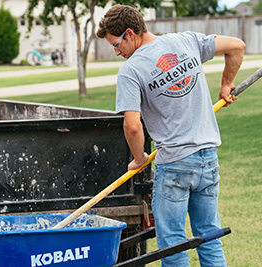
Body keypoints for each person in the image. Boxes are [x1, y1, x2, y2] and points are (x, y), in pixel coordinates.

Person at [96, 5, 245, 267]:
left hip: (174, 164)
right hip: (208, 158)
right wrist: (226, 83)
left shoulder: (131, 70)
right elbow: (237, 46)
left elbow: (132, 126)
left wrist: (139, 157)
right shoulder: (185, 40)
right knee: (209, 237)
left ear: (130, 33)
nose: (116, 51)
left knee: (172, 244)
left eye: (116, 44)